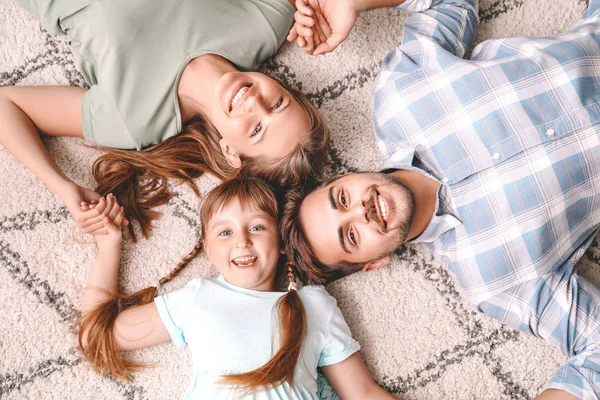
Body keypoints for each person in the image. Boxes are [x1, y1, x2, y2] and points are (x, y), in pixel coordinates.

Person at [282, 0, 600, 398]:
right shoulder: (493, 282)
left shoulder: (400, 96)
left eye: (341, 198)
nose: (360, 212)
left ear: (345, 176)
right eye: (351, 236)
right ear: (374, 263)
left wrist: (353, 3)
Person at [0, 0, 329, 240]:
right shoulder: (266, 22)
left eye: (257, 130)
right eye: (278, 103)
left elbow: (8, 104)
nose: (255, 102)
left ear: (231, 152)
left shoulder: (136, 120)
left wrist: (63, 187)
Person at [78, 177, 395, 399]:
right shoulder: (198, 299)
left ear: (281, 241)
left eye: (257, 227)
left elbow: (363, 393)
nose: (242, 240)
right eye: (224, 232)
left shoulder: (315, 305)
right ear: (208, 249)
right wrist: (109, 247)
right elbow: (95, 337)